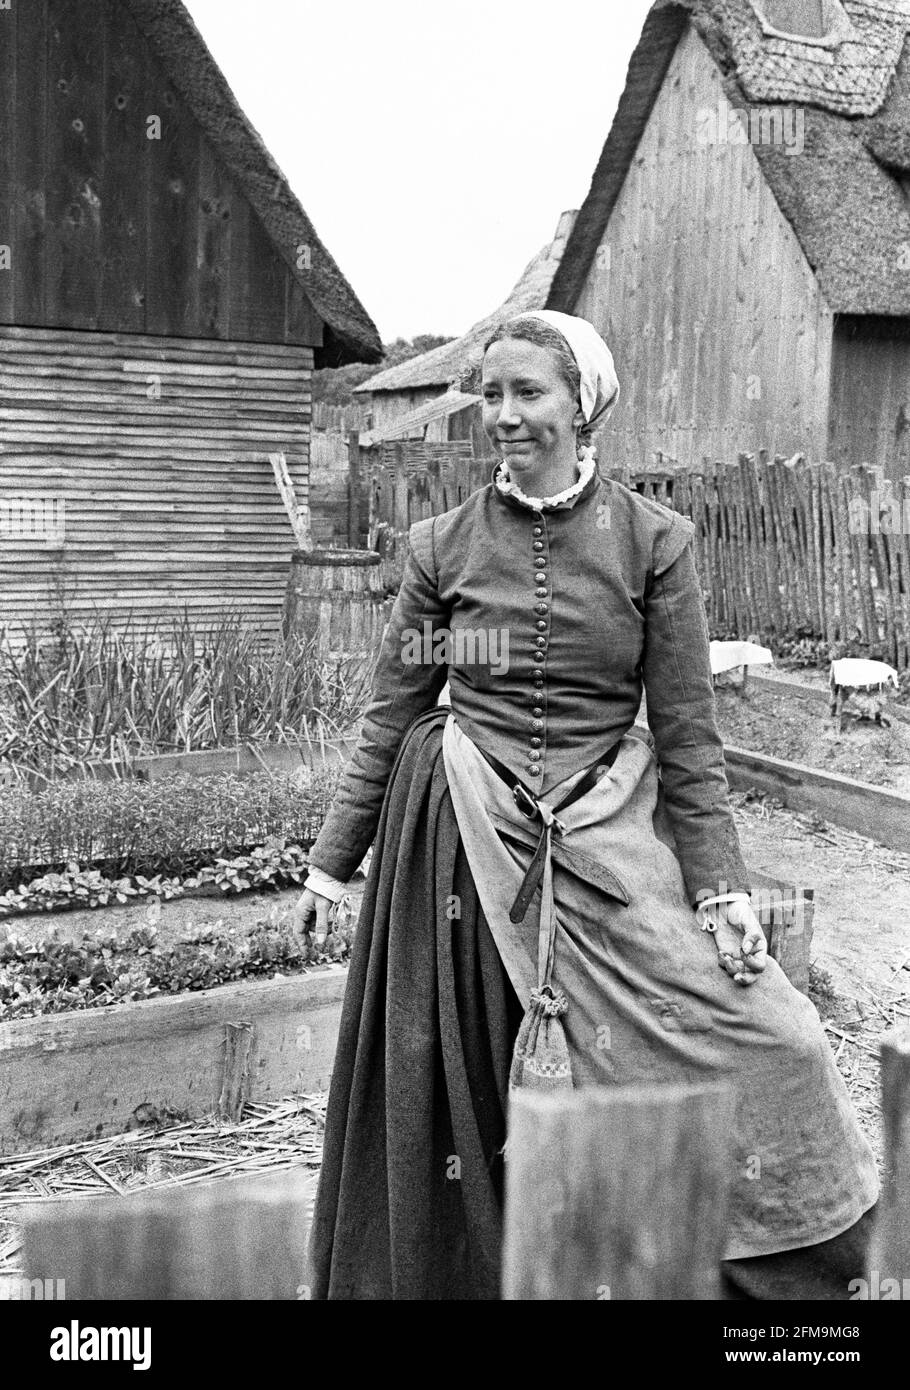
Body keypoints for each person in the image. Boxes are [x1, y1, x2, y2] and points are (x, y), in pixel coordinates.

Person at [297, 309, 879, 1301]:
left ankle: (758, 1270)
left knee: (773, 1036)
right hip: (465, 840)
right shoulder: (440, 548)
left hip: (607, 827)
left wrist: (719, 891)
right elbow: (389, 714)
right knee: (471, 1091)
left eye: (529, 392)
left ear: (582, 403)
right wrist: (328, 863)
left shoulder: (654, 543)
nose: (506, 414)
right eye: (492, 393)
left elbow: (690, 737)